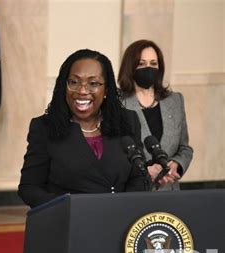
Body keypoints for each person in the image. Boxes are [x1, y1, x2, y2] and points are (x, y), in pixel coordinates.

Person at [18, 49, 148, 208]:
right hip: (69, 222)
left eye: (93, 83)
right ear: (64, 86)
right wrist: (68, 208)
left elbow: (139, 177)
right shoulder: (45, 127)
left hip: (119, 222)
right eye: (74, 82)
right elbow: (30, 187)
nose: (82, 91)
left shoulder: (126, 121)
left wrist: (121, 206)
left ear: (106, 90)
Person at [118, 40, 193, 190]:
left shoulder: (175, 100)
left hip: (169, 193)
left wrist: (177, 164)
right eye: (141, 64)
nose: (148, 68)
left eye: (153, 64)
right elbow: (114, 155)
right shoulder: (118, 103)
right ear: (130, 67)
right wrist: (142, 172)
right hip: (134, 193)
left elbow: (185, 148)